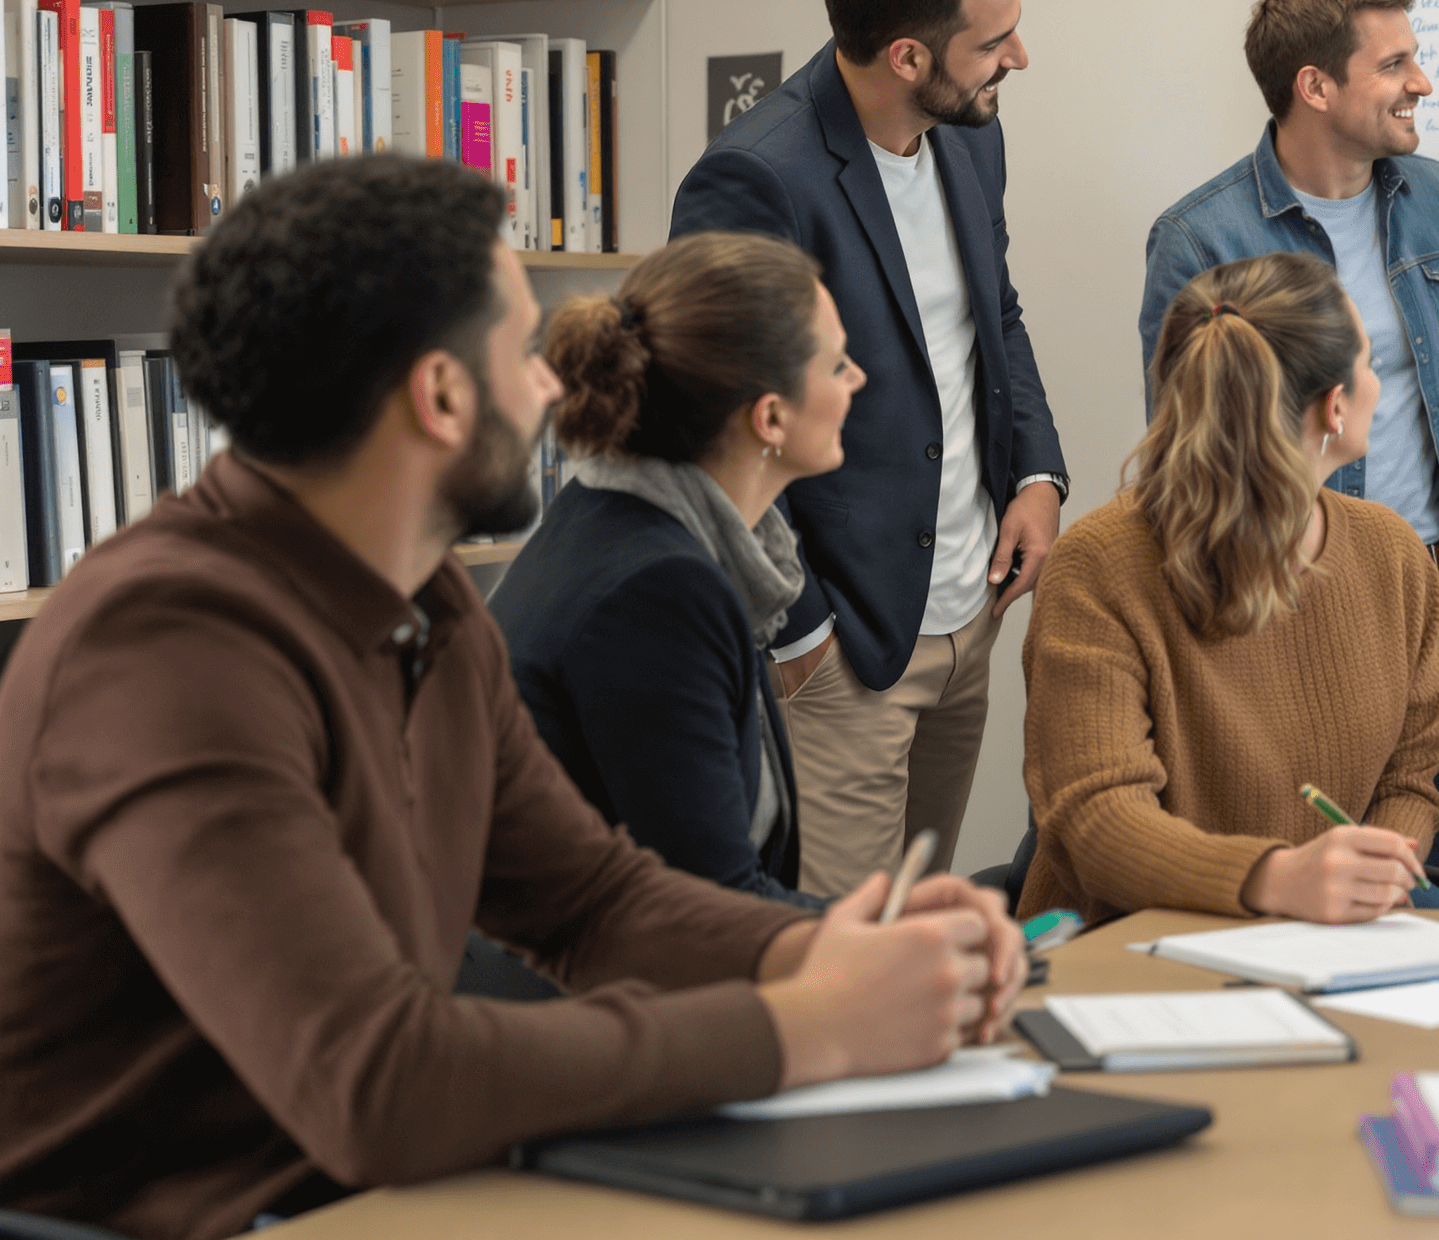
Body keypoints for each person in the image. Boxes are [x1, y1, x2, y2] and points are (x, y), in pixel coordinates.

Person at [0, 158, 1024, 1240]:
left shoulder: (427, 604)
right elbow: (377, 1081)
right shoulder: (167, 652)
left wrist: (830, 951)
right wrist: (802, 1028)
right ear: (440, 395)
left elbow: (590, 901)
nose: (550, 385)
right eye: (516, 350)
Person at [672, 0, 1069, 894]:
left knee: (919, 930)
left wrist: (1036, 473)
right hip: (842, 645)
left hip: (969, 615)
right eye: (996, 41)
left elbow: (996, 318)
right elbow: (715, 427)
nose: (1018, 59)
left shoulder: (974, 137)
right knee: (835, 968)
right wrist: (802, 627)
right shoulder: (755, 176)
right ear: (906, 57)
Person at [1140, 0, 1439, 877]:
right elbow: (1190, 442)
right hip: (1278, 600)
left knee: (1423, 868)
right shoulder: (1200, 239)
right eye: (1395, 64)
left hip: (1437, 591)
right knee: (1298, 865)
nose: (1420, 84)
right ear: (1315, 86)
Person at [1020, 252, 1439, 925]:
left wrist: (1367, 878)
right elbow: (1097, 822)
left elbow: (1413, 773)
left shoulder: (1393, 554)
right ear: (1335, 405)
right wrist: (1278, 881)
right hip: (1126, 960)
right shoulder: (1100, 564)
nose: (1377, 383)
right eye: (1369, 363)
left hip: (1330, 946)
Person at [491, 232, 866, 908]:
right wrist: (886, 940)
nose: (857, 379)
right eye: (837, 364)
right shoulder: (658, 589)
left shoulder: (624, 517)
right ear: (771, 417)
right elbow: (709, 908)